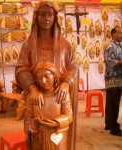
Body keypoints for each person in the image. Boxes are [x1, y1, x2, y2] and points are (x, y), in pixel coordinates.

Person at [15, 1, 78, 149]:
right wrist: (32, 87)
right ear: (36, 17)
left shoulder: (65, 45)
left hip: (59, 98)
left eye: (50, 14)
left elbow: (73, 67)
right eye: (42, 14)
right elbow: (21, 69)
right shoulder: (28, 45)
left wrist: (66, 82)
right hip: (38, 101)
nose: (46, 18)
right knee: (38, 137)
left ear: (55, 18)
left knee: (60, 137)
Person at [26, 61, 72, 150]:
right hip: (39, 138)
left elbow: (69, 116)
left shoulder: (62, 95)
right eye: (39, 78)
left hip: (57, 137)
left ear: (54, 76)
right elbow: (28, 119)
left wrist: (57, 122)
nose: (43, 81)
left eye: (46, 76)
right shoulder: (32, 97)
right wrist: (29, 132)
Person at [104, 27, 122, 136]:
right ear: (113, 34)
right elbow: (109, 62)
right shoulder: (110, 46)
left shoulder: (119, 46)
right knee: (113, 103)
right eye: (119, 32)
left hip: (118, 79)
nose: (121, 34)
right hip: (113, 79)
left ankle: (109, 124)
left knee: (111, 103)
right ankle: (114, 128)